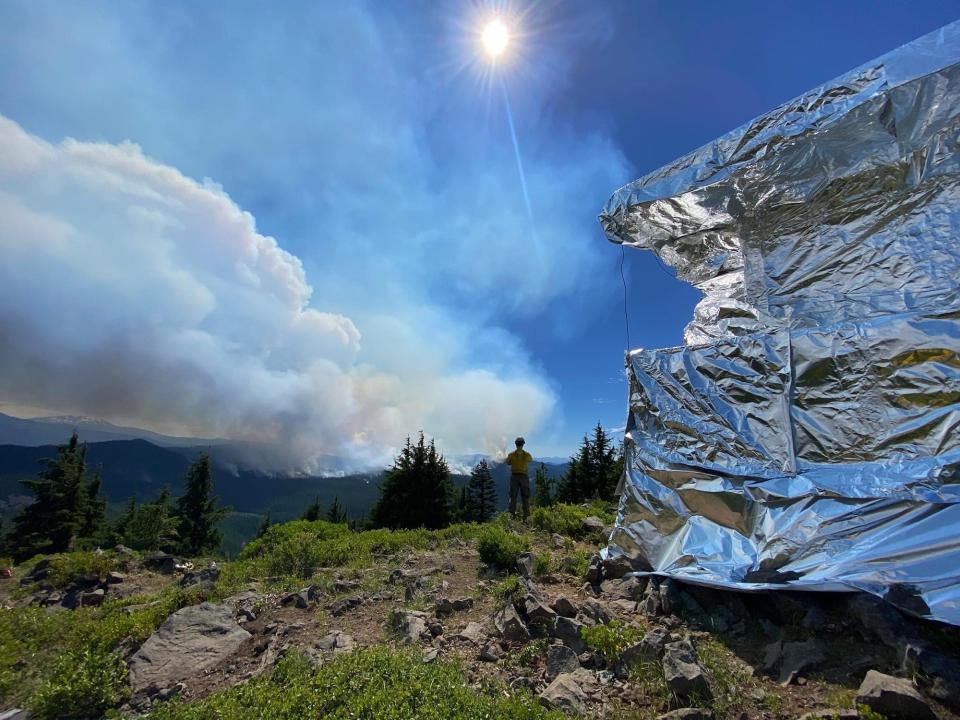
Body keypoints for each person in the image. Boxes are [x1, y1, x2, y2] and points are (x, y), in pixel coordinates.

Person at [506, 436, 533, 520]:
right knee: (525, 496)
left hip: (514, 477)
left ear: (516, 444)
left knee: (513, 495)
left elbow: (508, 462)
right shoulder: (527, 455)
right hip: (524, 477)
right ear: (523, 444)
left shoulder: (511, 455)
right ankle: (526, 515)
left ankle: (511, 515)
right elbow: (530, 460)